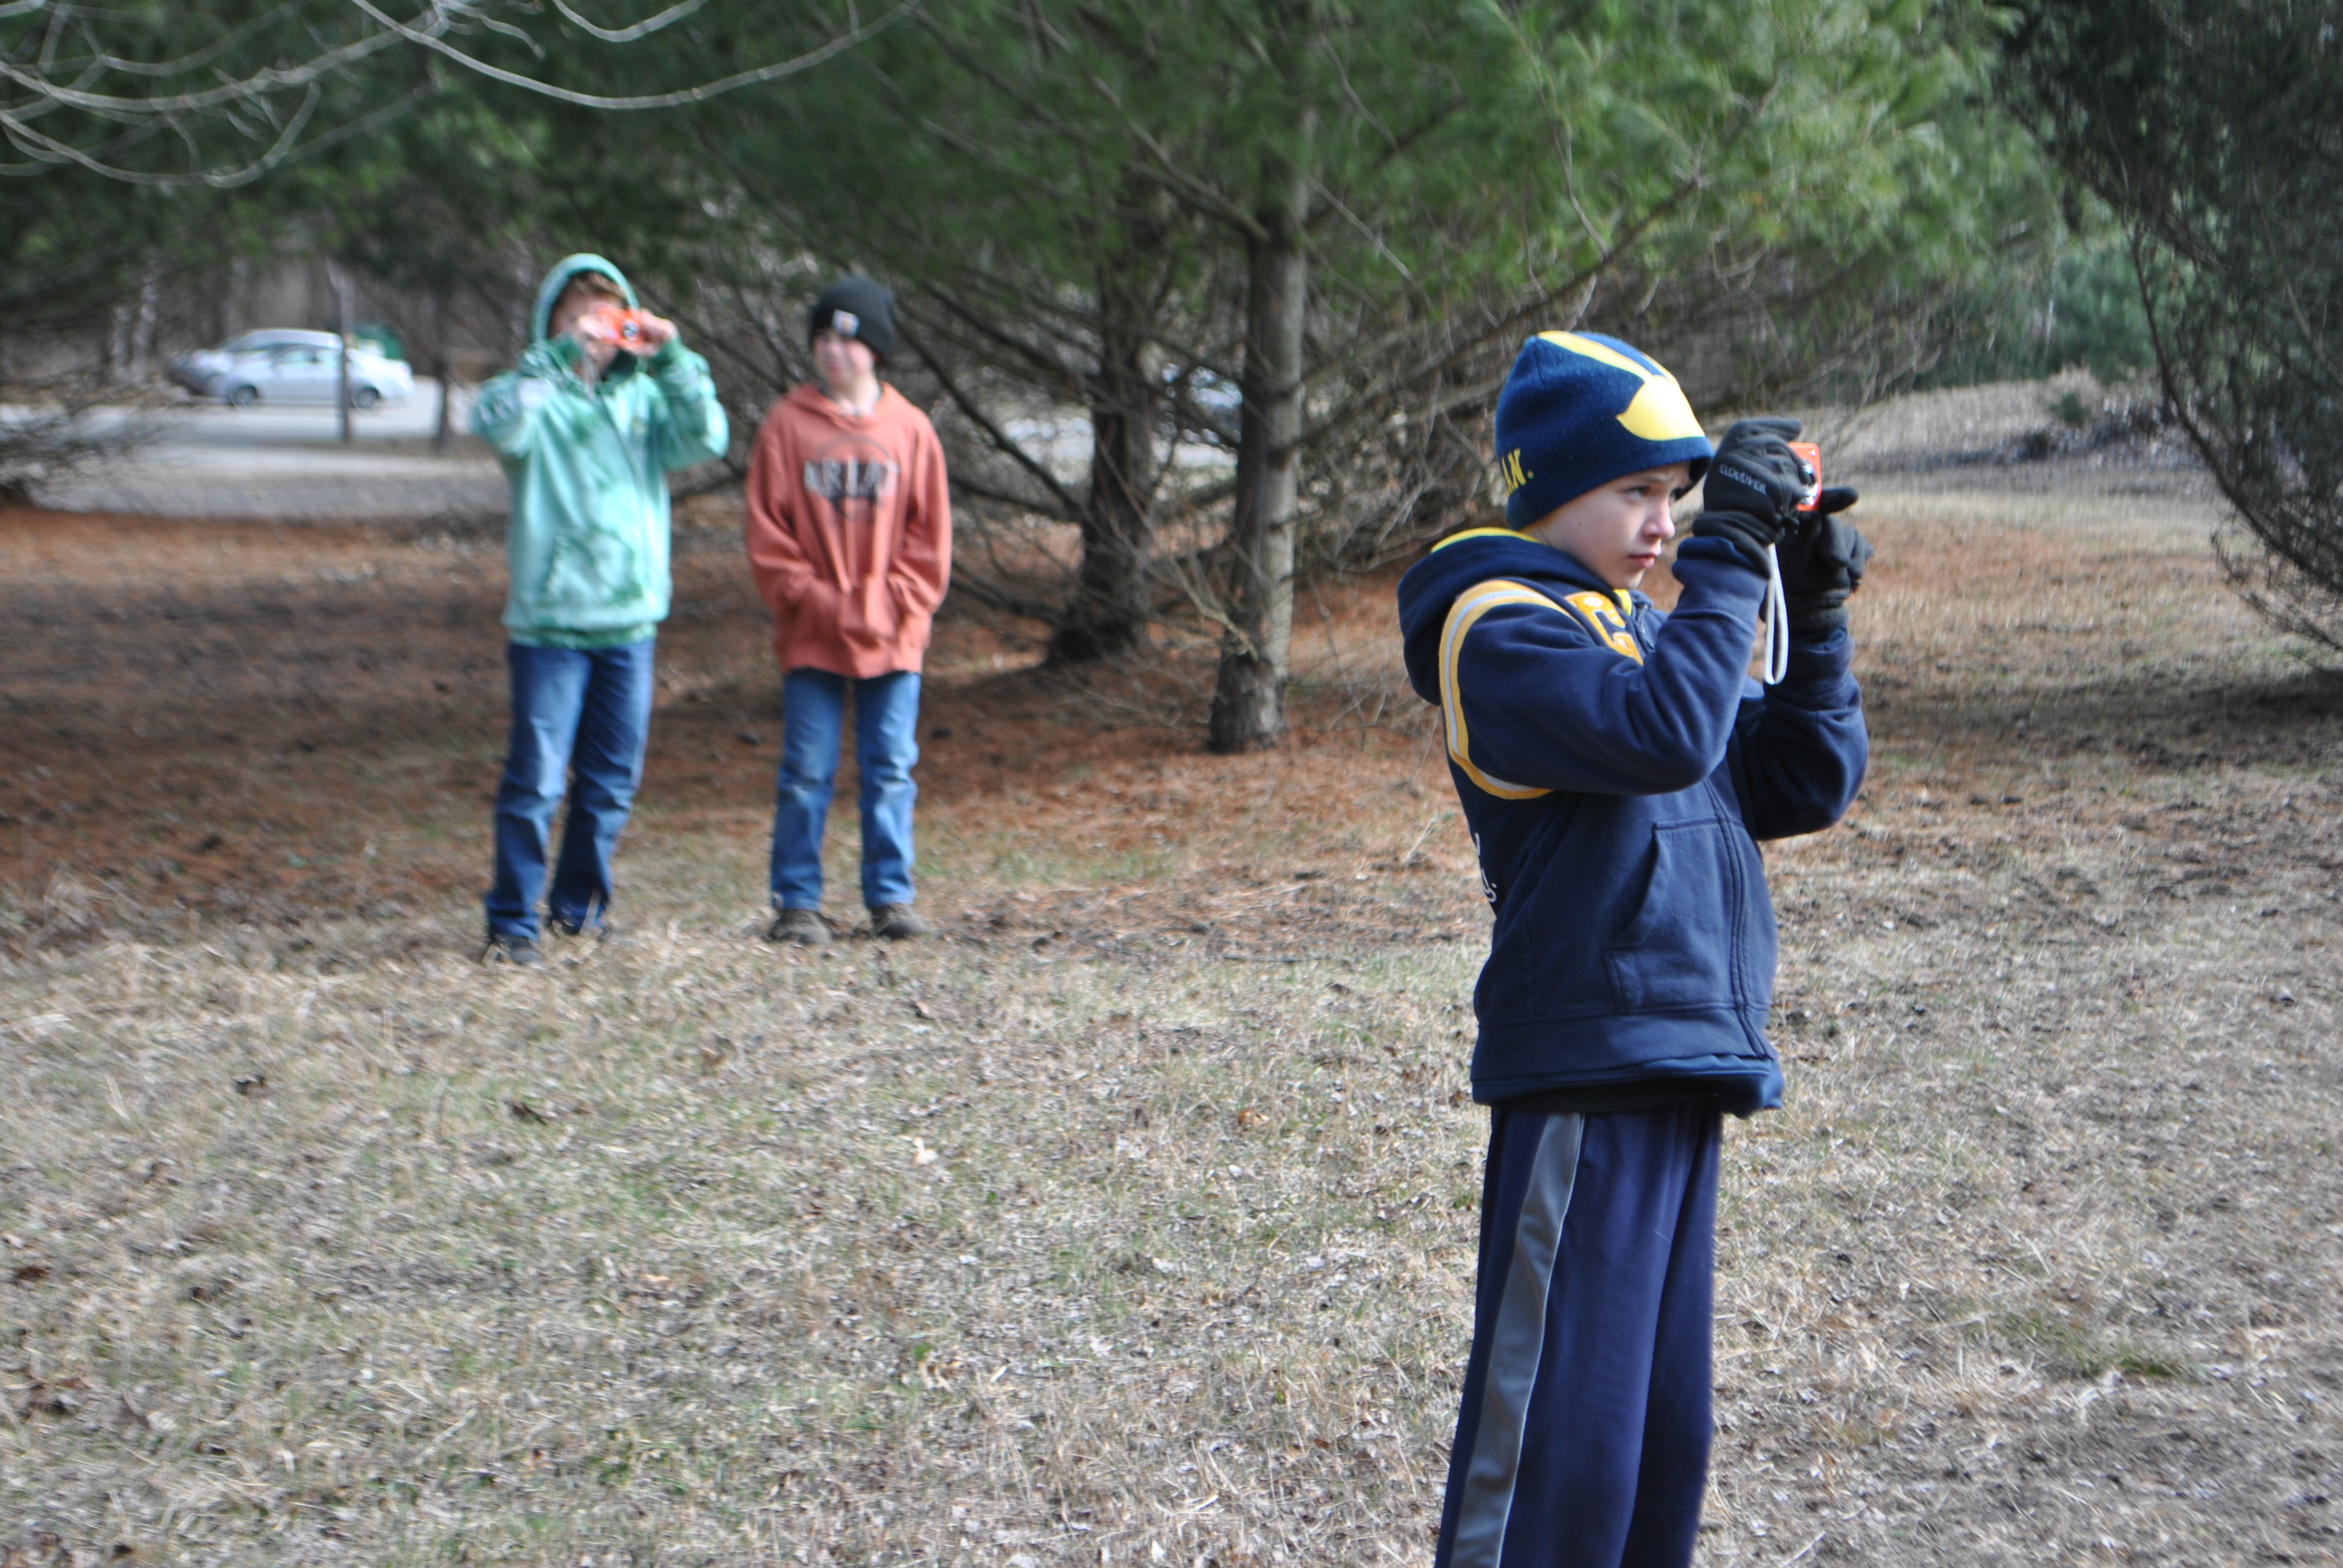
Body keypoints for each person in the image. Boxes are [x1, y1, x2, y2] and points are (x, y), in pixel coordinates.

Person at [1394, 331, 1873, 1567]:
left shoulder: (1641, 626)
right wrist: (1726, 555)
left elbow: (1795, 777)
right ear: (1548, 486)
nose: (1663, 525)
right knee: (1559, 1451)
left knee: (1657, 1451)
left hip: (1679, 1054)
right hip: (1585, 1072)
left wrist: (1807, 609)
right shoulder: (1495, 629)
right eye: (1635, 493)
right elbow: (1663, 739)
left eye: (1678, 498)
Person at [472, 253, 730, 965]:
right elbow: (492, 422)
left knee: (612, 780)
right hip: (551, 623)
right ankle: (512, 923)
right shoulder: (533, 397)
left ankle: (578, 909)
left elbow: (707, 435)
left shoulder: (645, 401)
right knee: (538, 780)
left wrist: (672, 355)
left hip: (629, 621)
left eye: (607, 313)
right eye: (577, 313)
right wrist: (556, 360)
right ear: (552, 323)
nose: (595, 328)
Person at [744, 278, 951, 946]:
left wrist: (893, 603)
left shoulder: (911, 430)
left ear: (876, 350)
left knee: (889, 766)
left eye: (847, 338)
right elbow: (768, 534)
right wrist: (815, 599)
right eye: (823, 338)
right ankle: (797, 903)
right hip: (811, 635)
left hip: (893, 637)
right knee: (807, 768)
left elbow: (929, 540)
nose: (833, 350)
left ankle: (890, 898)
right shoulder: (787, 424)